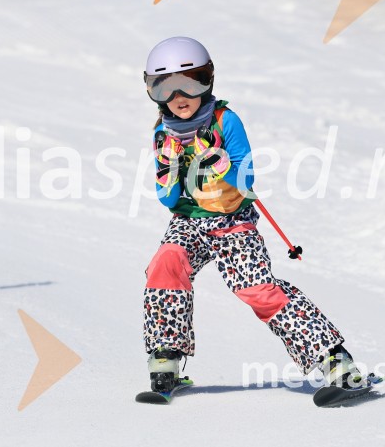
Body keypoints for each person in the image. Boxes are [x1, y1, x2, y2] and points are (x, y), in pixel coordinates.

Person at [141, 36, 361, 395]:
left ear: (208, 80)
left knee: (257, 289)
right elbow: (167, 198)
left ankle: (335, 361)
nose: (178, 96)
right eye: (164, 87)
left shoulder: (225, 120)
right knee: (166, 264)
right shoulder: (162, 133)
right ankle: (165, 357)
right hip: (188, 221)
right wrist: (169, 171)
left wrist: (221, 163)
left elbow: (247, 178)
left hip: (232, 222)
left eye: (190, 82)